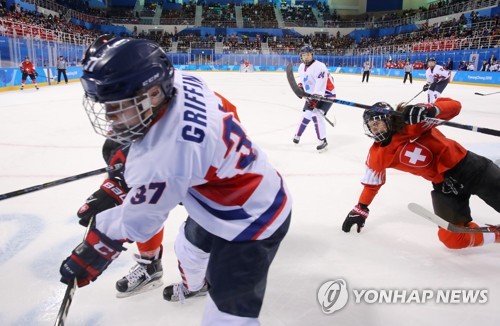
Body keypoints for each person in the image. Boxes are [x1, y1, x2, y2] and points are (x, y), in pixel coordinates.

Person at [59, 37, 292, 325]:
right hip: (224, 196)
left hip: (252, 220)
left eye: (119, 105)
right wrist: (123, 180)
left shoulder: (168, 155)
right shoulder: (180, 81)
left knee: (227, 320)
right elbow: (218, 112)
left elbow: (138, 222)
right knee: (186, 249)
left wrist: (96, 247)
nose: (110, 117)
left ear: (154, 93)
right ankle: (196, 287)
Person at [342, 99, 500, 250]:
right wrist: (361, 208)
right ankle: (497, 235)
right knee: (452, 239)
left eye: (377, 123)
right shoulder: (377, 155)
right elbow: (372, 185)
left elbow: (455, 107)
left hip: (472, 169)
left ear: (389, 119)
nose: (375, 129)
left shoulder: (412, 124)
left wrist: (430, 109)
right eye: (371, 126)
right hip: (445, 187)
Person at [292, 45, 336, 151]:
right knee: (306, 114)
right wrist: (300, 88)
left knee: (316, 115)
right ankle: (297, 135)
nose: (306, 57)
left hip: (327, 95)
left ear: (312, 55)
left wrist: (315, 99)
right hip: (311, 95)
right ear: (301, 56)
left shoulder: (320, 67)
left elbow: (320, 87)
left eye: (308, 55)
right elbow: (301, 80)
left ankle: (323, 140)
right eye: (304, 55)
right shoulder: (301, 67)